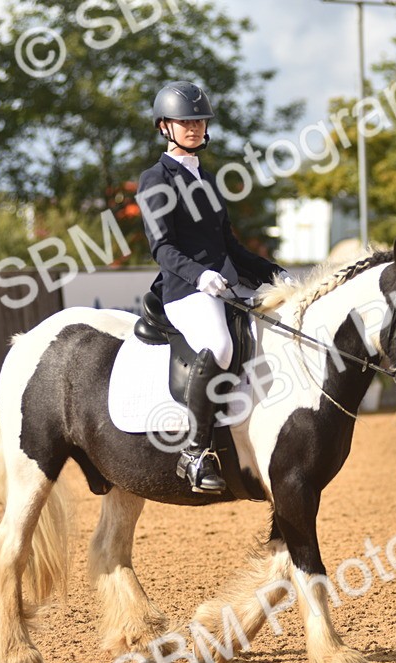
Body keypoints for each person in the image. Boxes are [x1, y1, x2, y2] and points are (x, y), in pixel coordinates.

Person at [138, 80, 288, 494]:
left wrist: (274, 273)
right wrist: (199, 276)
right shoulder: (155, 179)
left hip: (223, 286)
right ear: (165, 126)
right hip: (185, 291)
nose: (195, 127)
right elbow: (162, 248)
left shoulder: (207, 177)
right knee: (220, 345)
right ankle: (194, 452)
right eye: (185, 122)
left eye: (200, 120)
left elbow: (230, 248)